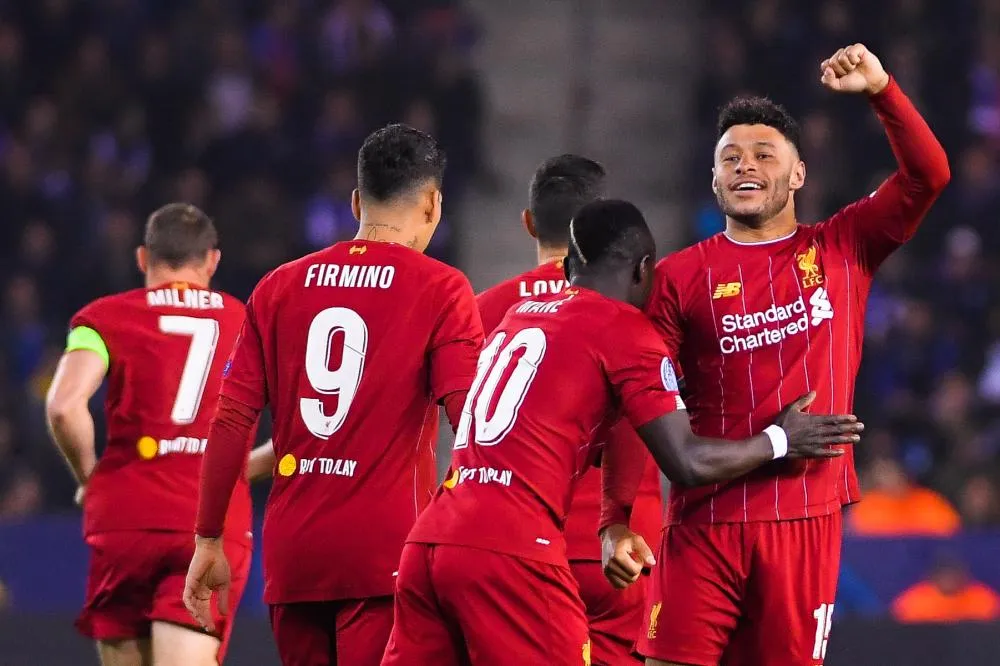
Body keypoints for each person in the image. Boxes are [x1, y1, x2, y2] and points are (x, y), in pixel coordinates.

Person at [381, 199, 863, 666]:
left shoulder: (517, 317)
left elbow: (608, 425)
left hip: (430, 543)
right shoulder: (626, 331)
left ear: (571, 264)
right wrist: (780, 439)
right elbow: (686, 462)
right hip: (511, 548)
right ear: (643, 269)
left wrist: (613, 518)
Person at [612, 43, 950, 666]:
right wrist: (617, 517)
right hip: (702, 523)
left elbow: (928, 176)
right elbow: (636, 405)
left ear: (797, 176)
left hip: (802, 521)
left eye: (765, 154)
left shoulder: (845, 246)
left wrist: (883, 92)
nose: (746, 165)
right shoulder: (677, 279)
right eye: (730, 157)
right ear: (713, 178)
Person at [183, 124, 483, 666]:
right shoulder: (442, 289)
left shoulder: (277, 287)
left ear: (355, 202)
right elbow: (472, 421)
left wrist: (208, 539)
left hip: (294, 553)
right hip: (385, 552)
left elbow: (230, 422)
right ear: (434, 204)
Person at [45, 204, 254, 666]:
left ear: (143, 258)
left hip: (126, 520)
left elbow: (63, 406)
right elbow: (304, 423)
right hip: (208, 525)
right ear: (213, 261)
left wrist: (88, 477)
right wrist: (239, 470)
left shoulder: (102, 320)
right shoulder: (247, 322)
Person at [476, 154, 664, 664]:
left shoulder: (488, 311)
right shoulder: (635, 310)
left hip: (515, 544)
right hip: (622, 548)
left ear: (529, 222)